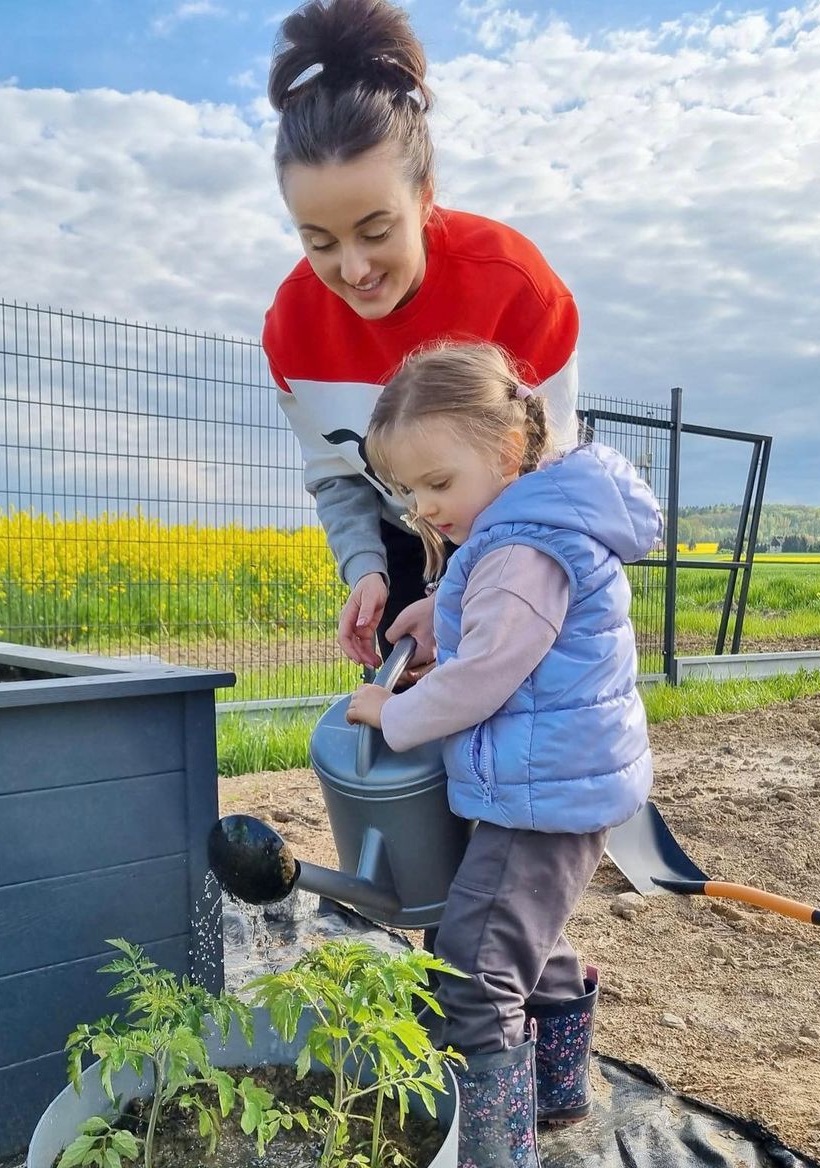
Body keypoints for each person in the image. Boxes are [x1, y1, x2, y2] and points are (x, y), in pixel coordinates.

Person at [346, 341, 662, 1168]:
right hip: (559, 782)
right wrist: (437, 615)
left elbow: (488, 671)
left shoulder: (521, 546)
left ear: (508, 448)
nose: (424, 508)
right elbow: (504, 633)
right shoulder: (531, 524)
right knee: (527, 934)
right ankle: (556, 1089)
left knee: (473, 970)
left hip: (537, 793)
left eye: (437, 482)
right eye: (408, 494)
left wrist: (391, 713)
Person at [262, 0, 580, 670]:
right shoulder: (291, 330)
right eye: (319, 241)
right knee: (405, 717)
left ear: (426, 194)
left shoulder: (515, 287)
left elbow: (547, 473)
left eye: (376, 232)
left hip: (518, 530)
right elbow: (339, 478)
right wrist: (365, 574)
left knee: (523, 707)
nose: (353, 270)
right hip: (400, 532)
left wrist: (464, 589)